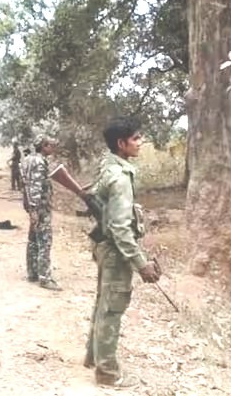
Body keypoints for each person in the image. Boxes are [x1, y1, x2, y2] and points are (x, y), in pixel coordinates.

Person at [83, 116, 161, 389]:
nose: (141, 142)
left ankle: (94, 357)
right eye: (136, 138)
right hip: (115, 250)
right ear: (121, 143)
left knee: (103, 302)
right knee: (112, 308)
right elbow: (119, 227)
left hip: (104, 245)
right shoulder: (120, 177)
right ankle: (107, 373)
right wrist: (141, 263)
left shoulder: (109, 164)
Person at [21, 135, 61, 291]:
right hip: (40, 207)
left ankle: (32, 272)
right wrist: (35, 209)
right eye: (50, 145)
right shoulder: (39, 162)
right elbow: (36, 187)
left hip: (33, 205)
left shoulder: (28, 159)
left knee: (33, 239)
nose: (53, 148)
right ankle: (44, 278)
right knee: (45, 240)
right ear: (44, 146)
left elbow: (26, 184)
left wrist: (29, 207)